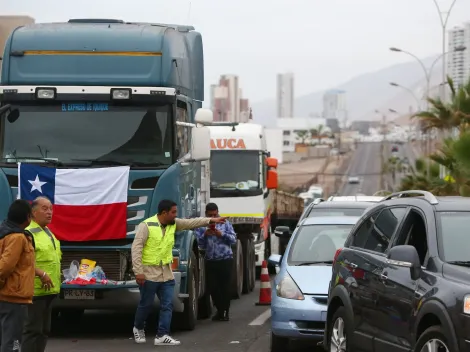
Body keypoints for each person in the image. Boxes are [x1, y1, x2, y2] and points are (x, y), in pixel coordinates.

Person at [131, 199, 226, 346]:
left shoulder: (173, 224)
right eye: (173, 212)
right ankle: (138, 327)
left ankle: (162, 335)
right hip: (149, 273)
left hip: (166, 274)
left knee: (167, 304)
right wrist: (138, 271)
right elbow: (136, 249)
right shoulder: (147, 226)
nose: (176, 215)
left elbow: (192, 223)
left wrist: (211, 220)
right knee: (146, 304)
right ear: (164, 213)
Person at [22, 196, 61, 352]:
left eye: (51, 208)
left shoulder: (48, 232)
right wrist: (41, 274)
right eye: (45, 209)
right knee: (32, 331)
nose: (49, 212)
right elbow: (21, 263)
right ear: (33, 212)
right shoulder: (28, 233)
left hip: (49, 291)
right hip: (34, 291)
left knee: (44, 331)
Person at [0, 200, 35, 352]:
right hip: (13, 297)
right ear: (27, 217)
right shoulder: (17, 237)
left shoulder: (4, 232)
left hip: (8, 296)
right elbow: (5, 267)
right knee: (12, 343)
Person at [195, 203, 236, 322]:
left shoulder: (225, 223)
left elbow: (233, 239)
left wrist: (221, 234)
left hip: (225, 259)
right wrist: (204, 235)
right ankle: (219, 310)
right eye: (210, 215)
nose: (213, 216)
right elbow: (198, 244)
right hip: (210, 260)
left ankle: (225, 312)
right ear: (206, 214)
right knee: (213, 287)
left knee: (225, 287)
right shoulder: (202, 225)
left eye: (215, 214)